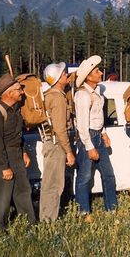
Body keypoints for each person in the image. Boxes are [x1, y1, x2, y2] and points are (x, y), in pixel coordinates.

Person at [0, 73, 36, 230]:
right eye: (18, 89)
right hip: (2, 157)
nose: (22, 92)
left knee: (23, 190)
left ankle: (30, 226)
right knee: (2, 195)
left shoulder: (15, 109)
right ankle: (0, 230)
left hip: (16, 155)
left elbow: (17, 135)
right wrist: (4, 166)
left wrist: (23, 151)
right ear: (8, 93)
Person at [74, 55, 117, 219]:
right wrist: (89, 146)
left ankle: (111, 209)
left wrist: (104, 132)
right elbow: (82, 125)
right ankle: (83, 212)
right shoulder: (83, 95)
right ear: (89, 76)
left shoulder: (96, 92)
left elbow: (98, 116)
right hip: (89, 137)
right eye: (97, 71)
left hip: (98, 135)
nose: (100, 73)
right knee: (85, 176)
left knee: (108, 174)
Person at [39, 63, 76, 222]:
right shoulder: (58, 98)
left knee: (50, 183)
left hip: (51, 141)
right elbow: (60, 129)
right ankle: (48, 220)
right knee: (54, 184)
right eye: (64, 74)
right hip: (57, 144)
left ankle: (47, 217)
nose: (67, 75)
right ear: (58, 79)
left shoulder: (50, 94)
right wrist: (68, 152)